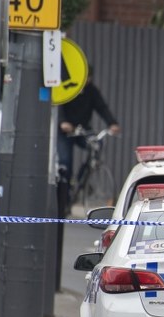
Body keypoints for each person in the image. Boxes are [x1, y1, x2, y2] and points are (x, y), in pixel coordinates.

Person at [56, 68, 121, 216]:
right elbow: (58, 105)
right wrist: (63, 122)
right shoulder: (68, 87)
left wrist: (112, 123)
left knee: (97, 143)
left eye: (90, 78)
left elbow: (102, 107)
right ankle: (65, 198)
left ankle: (84, 176)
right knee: (65, 162)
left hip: (82, 130)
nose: (88, 81)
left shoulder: (91, 91)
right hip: (65, 132)